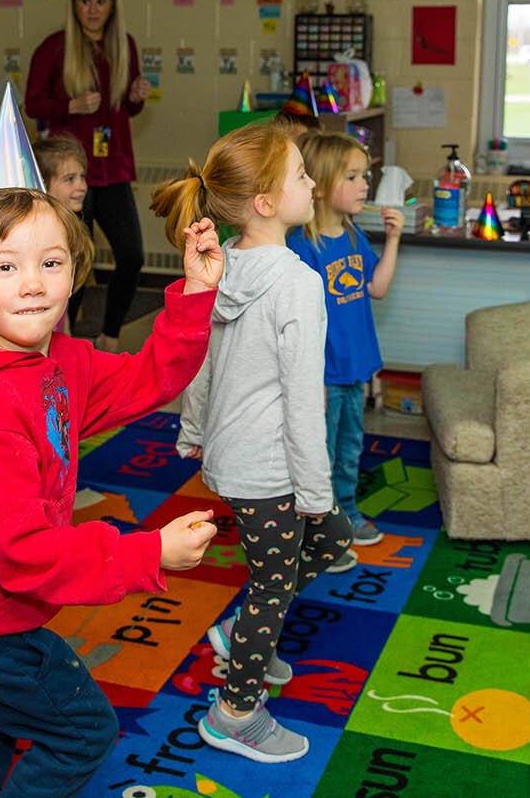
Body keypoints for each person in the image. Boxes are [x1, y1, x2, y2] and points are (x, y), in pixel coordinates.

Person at [0, 188, 221, 798]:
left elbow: (148, 379)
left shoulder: (59, 360)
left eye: (50, 263)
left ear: (74, 272)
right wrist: (148, 555)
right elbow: (21, 554)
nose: (32, 284)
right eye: (6, 265)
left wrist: (196, 293)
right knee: (82, 732)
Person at [150, 123, 354, 764]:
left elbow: (202, 362)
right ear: (265, 203)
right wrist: (316, 491)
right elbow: (302, 400)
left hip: (234, 459)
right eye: (300, 175)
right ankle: (234, 712)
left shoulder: (225, 261)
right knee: (271, 583)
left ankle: (241, 634)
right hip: (267, 467)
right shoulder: (295, 282)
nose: (313, 183)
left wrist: (192, 430)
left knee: (332, 543)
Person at [289, 131, 402, 572]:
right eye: (352, 176)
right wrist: (310, 378)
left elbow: (377, 288)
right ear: (320, 183)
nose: (364, 185)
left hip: (354, 369)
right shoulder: (303, 246)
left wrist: (393, 241)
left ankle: (347, 511)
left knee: (350, 445)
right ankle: (321, 525)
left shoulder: (354, 236)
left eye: (365, 176)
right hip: (322, 375)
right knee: (321, 452)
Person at [24, 0, 153, 352]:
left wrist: (136, 95)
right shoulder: (54, 47)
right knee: (71, 261)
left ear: (112, 5)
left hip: (112, 168)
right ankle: (62, 340)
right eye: (85, 1)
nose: (93, 10)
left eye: (101, 1)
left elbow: (126, 110)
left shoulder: (123, 44)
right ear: (74, 5)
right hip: (69, 172)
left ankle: (109, 335)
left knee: (131, 256)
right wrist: (70, 105)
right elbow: (33, 104)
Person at [34, 135, 89, 336]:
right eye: (69, 179)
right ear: (42, 183)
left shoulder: (70, 229)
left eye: (82, 177)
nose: (81, 186)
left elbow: (63, 308)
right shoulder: (37, 234)